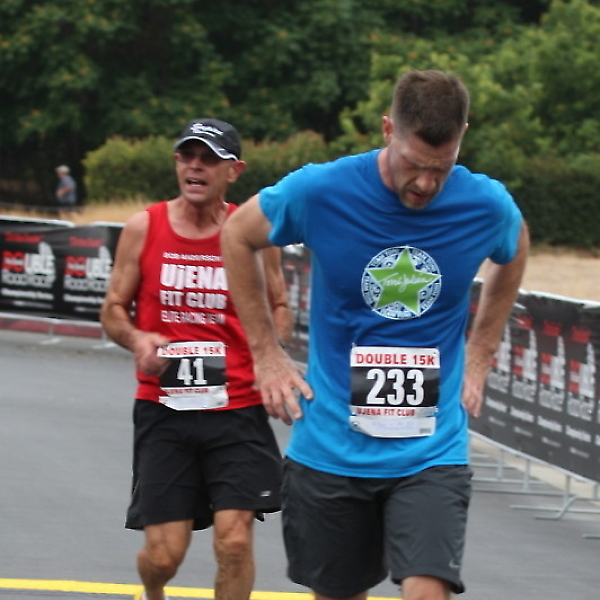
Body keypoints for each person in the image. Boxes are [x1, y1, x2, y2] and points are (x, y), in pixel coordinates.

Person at [221, 70, 529, 600]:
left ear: (462, 136)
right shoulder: (322, 191)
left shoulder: (485, 204)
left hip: (431, 450)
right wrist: (266, 353)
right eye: (414, 164)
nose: (425, 184)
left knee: (427, 590)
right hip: (331, 446)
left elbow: (514, 247)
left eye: (441, 167)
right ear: (388, 129)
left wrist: (481, 351)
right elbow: (236, 235)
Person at [100, 118, 291, 600]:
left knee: (234, 541)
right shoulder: (144, 227)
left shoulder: (253, 232)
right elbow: (113, 308)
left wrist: (270, 356)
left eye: (209, 158)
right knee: (164, 556)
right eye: (187, 156)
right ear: (176, 163)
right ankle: (153, 593)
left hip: (238, 409)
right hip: (165, 409)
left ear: (234, 171)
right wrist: (137, 338)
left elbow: (280, 305)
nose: (196, 166)